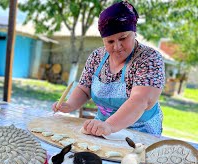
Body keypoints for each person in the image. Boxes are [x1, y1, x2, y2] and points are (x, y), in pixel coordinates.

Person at [52, 1, 165, 136]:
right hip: (102, 127)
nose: (117, 46)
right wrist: (70, 105)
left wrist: (110, 126)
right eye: (110, 41)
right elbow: (84, 89)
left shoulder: (149, 59)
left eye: (123, 38)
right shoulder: (97, 57)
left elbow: (140, 100)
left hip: (141, 133)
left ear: (134, 32)